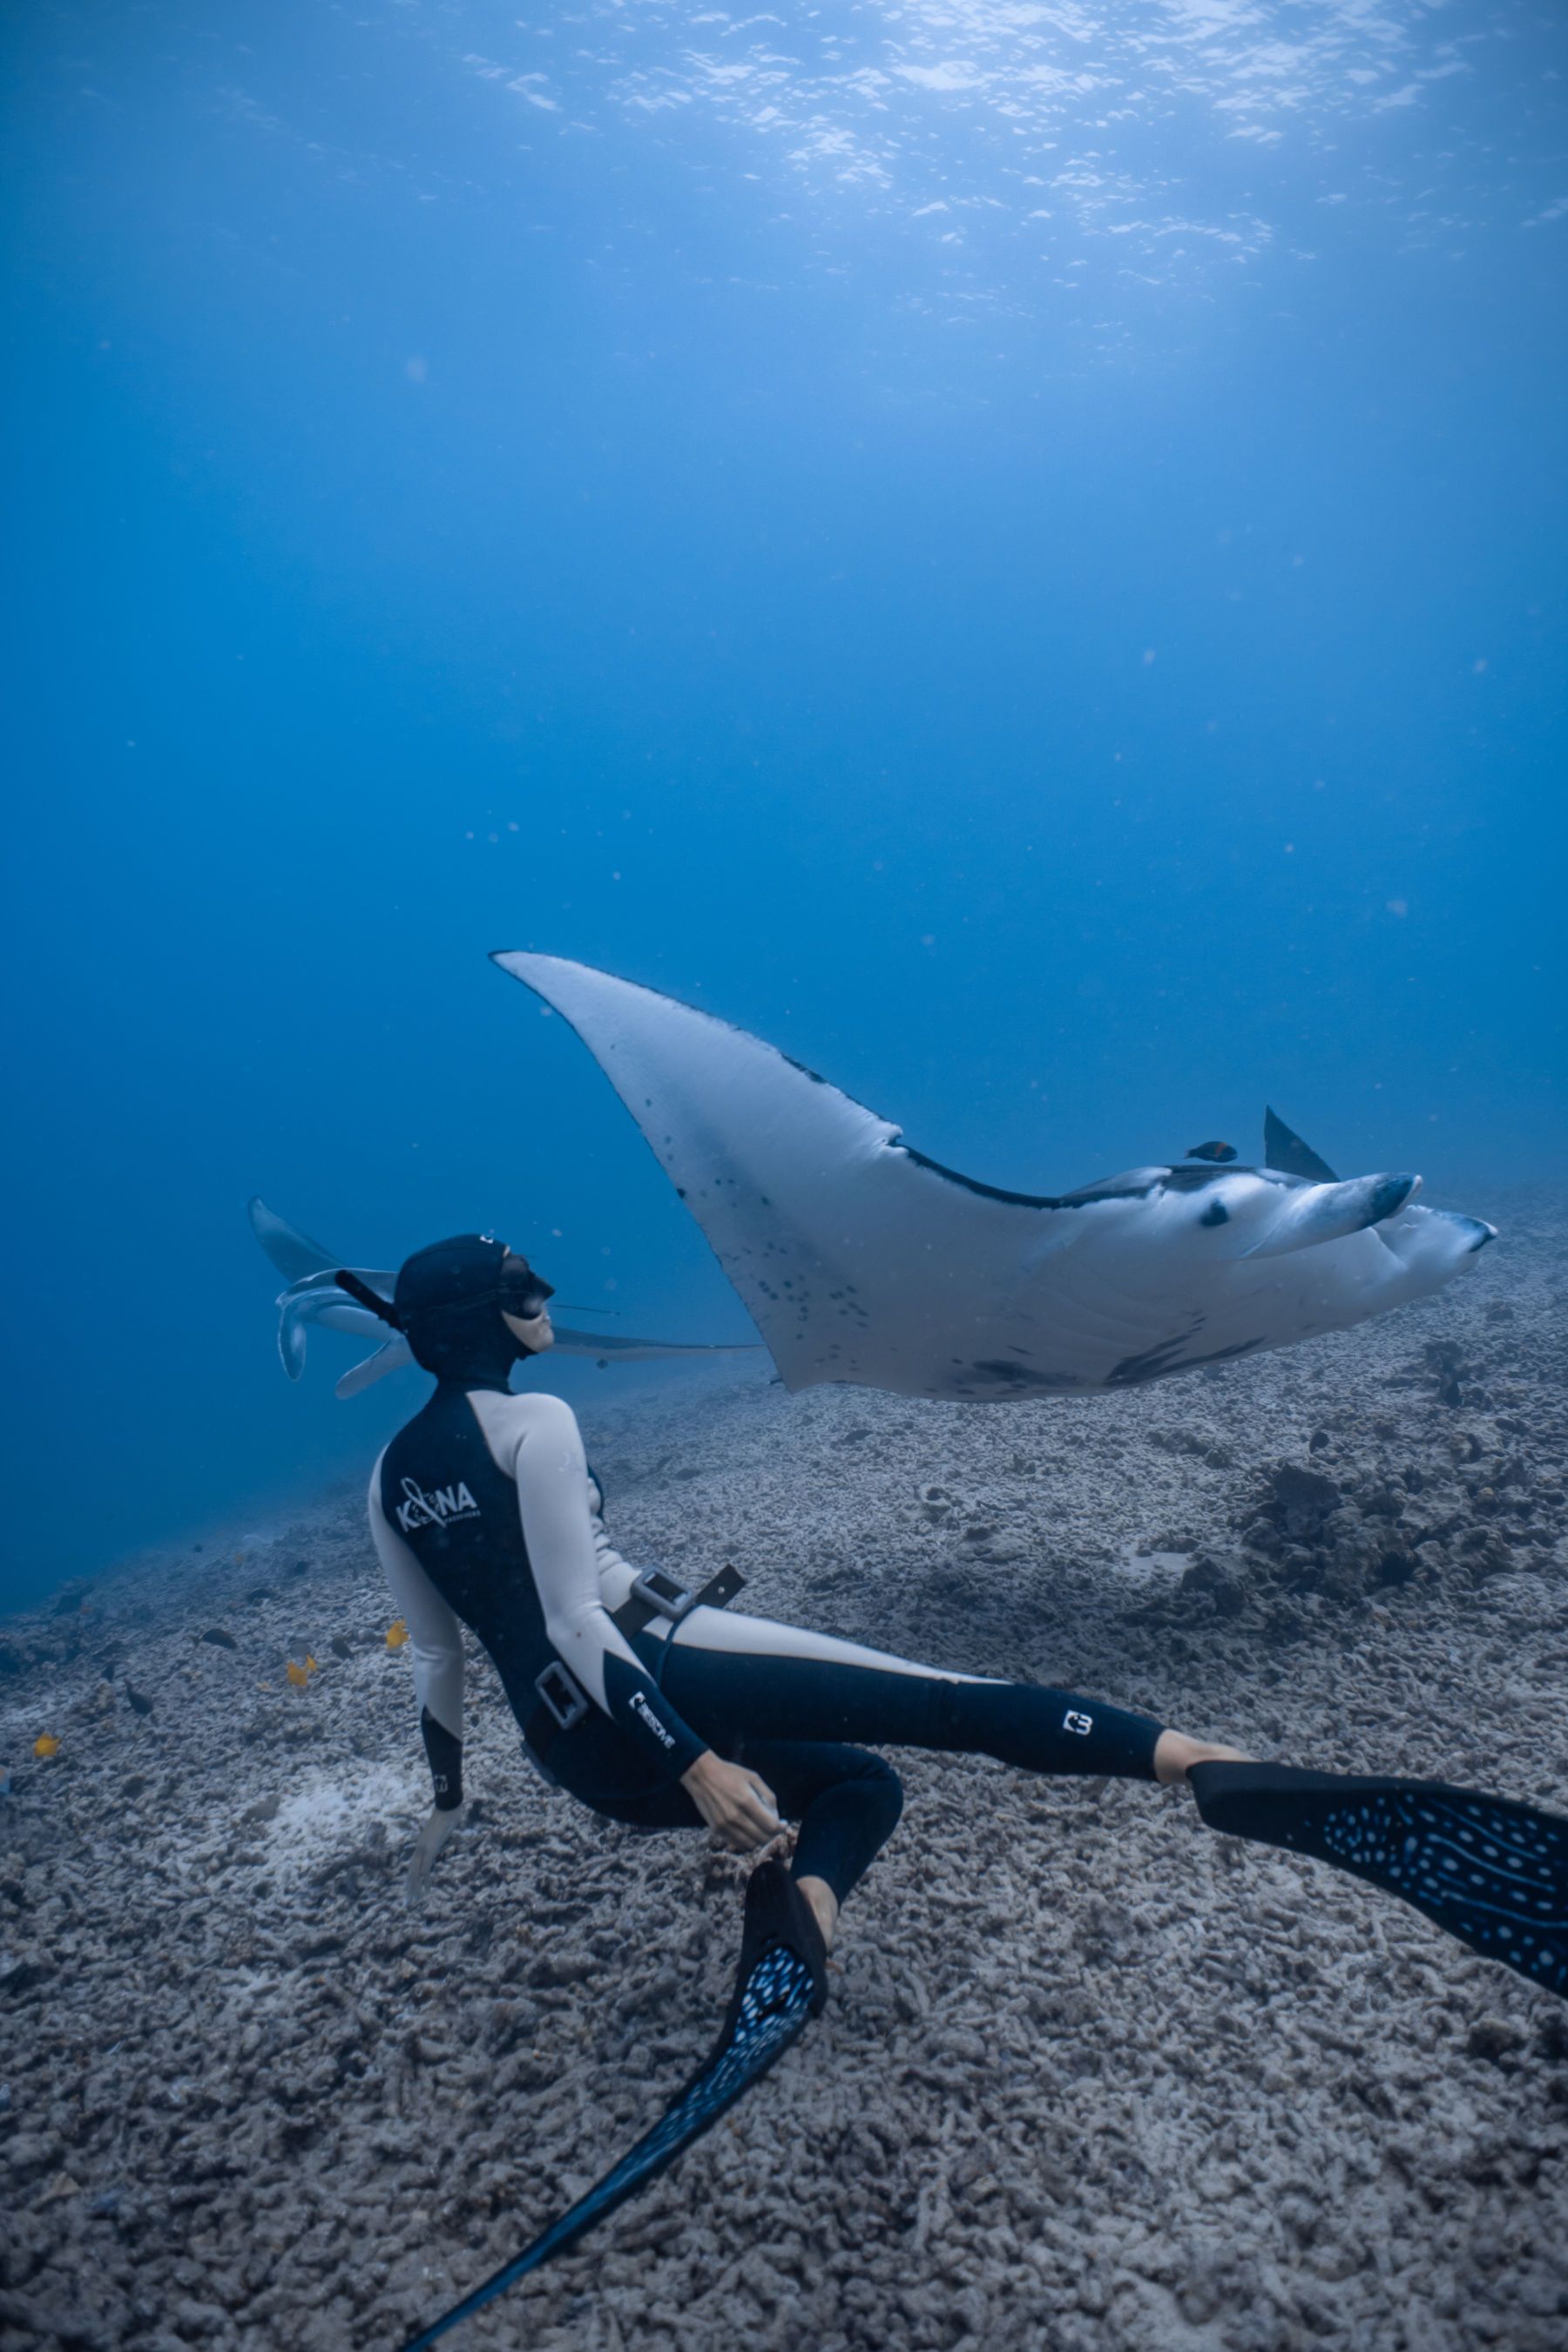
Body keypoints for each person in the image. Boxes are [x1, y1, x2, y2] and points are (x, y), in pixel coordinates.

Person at [363, 1233, 1566, 2006]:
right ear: (481, 1314)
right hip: (659, 1676)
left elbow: (440, 1657)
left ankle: (801, 1922)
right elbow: (583, 1617)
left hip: (573, 1759)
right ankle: (1212, 1769)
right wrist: (696, 1765)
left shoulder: (383, 1477)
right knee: (959, 1706)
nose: (547, 1300)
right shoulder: (538, 1426)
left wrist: (450, 1806)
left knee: (860, 1790)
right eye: (523, 1287)